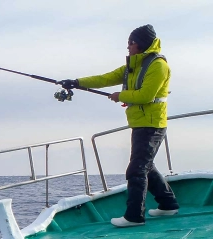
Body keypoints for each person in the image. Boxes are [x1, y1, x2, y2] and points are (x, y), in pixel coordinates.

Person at [59, 24, 179, 227]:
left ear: (140, 44)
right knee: (145, 166)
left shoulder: (158, 66)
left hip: (152, 124)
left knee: (136, 169)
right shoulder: (134, 65)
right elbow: (105, 78)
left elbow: (145, 95)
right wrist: (76, 82)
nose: (128, 47)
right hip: (140, 123)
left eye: (130, 43)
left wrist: (119, 95)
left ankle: (134, 217)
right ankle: (168, 204)